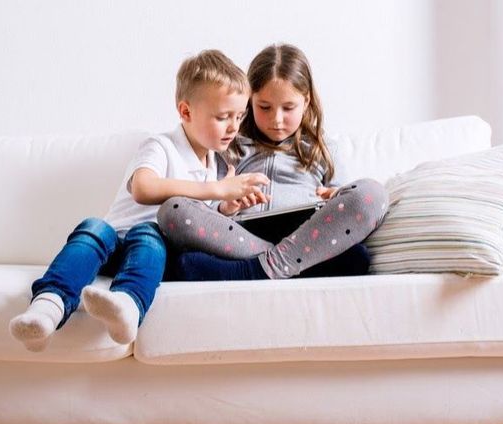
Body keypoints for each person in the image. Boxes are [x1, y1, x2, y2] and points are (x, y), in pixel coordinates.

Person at [9, 50, 269, 351]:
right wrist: (216, 190)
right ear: (185, 112)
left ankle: (127, 306)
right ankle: (47, 308)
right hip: (111, 245)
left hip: (148, 254)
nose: (233, 127)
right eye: (222, 117)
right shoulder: (160, 146)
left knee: (149, 233)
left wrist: (225, 208)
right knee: (94, 226)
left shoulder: (216, 165)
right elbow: (143, 188)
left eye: (239, 116)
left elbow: (195, 223)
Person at [156, 43, 388, 281]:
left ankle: (256, 269)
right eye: (264, 107)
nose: (276, 119)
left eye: (288, 108)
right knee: (172, 210)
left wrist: (334, 195)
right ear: (249, 102)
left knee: (373, 194)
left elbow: (348, 204)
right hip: (242, 238)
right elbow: (206, 207)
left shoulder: (324, 149)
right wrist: (225, 206)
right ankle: (278, 264)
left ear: (306, 101)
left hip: (308, 237)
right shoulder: (230, 146)